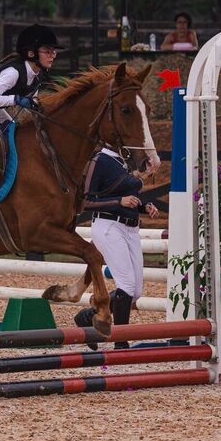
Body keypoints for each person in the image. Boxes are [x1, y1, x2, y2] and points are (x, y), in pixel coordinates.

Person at [0, 24, 64, 226]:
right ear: (31, 53)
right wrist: (17, 100)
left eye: (53, 51)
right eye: (47, 51)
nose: (52, 55)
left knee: (15, 136)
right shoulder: (13, 73)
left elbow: (30, 103)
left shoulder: (37, 75)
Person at [77, 147, 159, 349]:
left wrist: (143, 206)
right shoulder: (100, 160)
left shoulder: (127, 159)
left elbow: (126, 194)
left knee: (136, 291)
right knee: (127, 286)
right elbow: (85, 202)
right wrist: (118, 201)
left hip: (130, 228)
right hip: (108, 226)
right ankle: (120, 342)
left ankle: (88, 317)